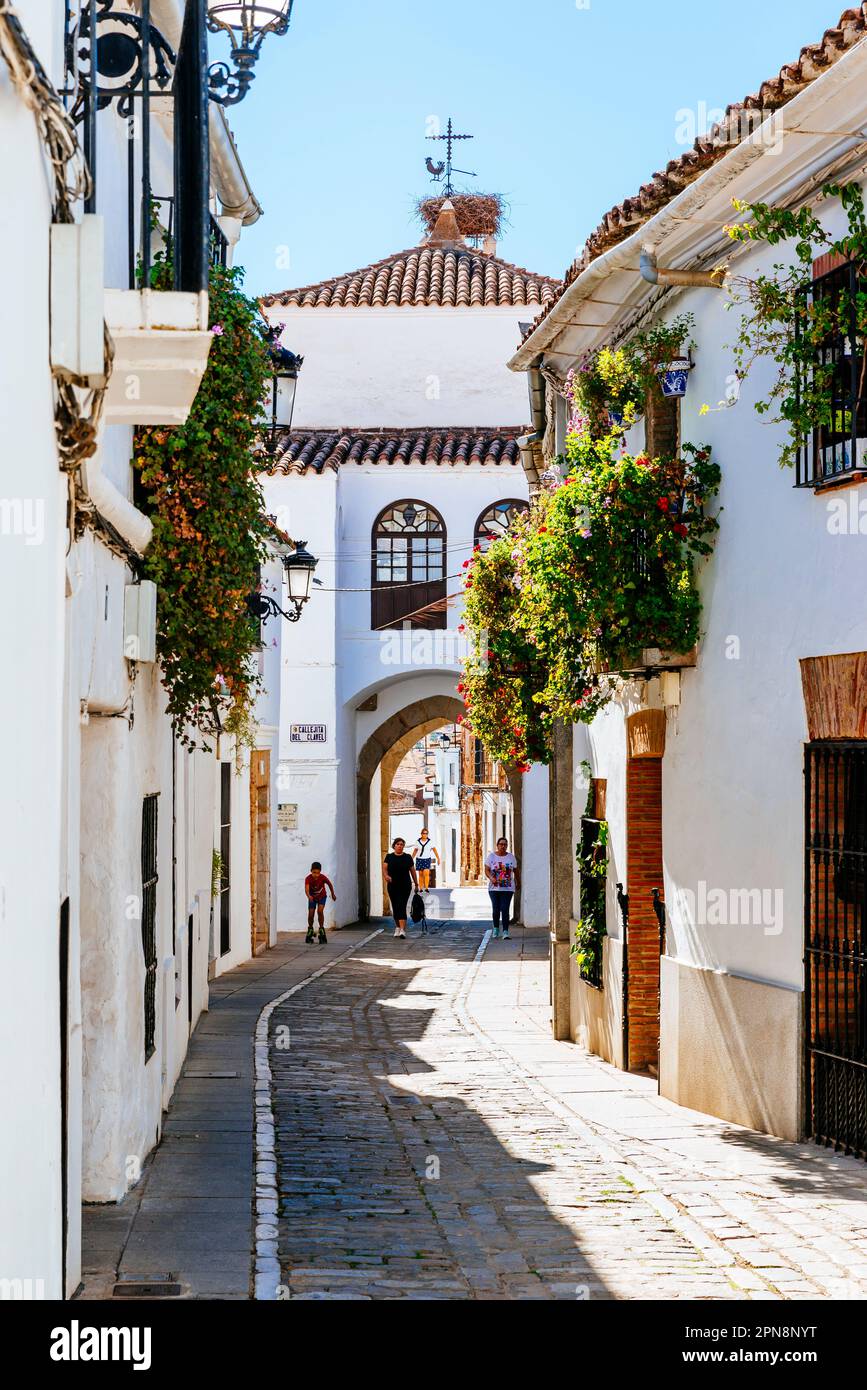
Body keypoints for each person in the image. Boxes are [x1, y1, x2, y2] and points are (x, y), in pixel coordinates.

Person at [383, 837, 418, 940]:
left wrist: (416, 884)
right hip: (392, 885)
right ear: (394, 846)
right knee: (395, 906)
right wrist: (386, 876)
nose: (399, 846)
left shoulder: (407, 857)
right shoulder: (389, 857)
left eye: (401, 844)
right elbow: (384, 868)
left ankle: (403, 930)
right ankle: (397, 927)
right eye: (398, 844)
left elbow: (412, 871)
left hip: (405, 885)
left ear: (403, 846)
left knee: (401, 905)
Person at [484, 837, 519, 940]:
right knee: (496, 909)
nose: (503, 846)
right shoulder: (491, 857)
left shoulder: (511, 857)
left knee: (505, 909)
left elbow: (516, 871)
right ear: (497, 845)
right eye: (501, 844)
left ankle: (505, 931)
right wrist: (491, 877)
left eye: (505, 844)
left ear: (507, 846)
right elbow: (486, 869)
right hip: (494, 889)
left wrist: (518, 882)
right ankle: (495, 928)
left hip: (508, 889)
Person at [304, 862, 336, 945]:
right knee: (311, 914)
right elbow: (307, 889)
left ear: (320, 872)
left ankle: (321, 929)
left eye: (318, 873)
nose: (316, 875)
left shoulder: (322, 877)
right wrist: (309, 896)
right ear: (311, 871)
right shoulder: (308, 878)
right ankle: (310, 929)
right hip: (312, 898)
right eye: (314, 872)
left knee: (320, 911)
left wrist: (332, 894)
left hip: (322, 897)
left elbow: (329, 884)